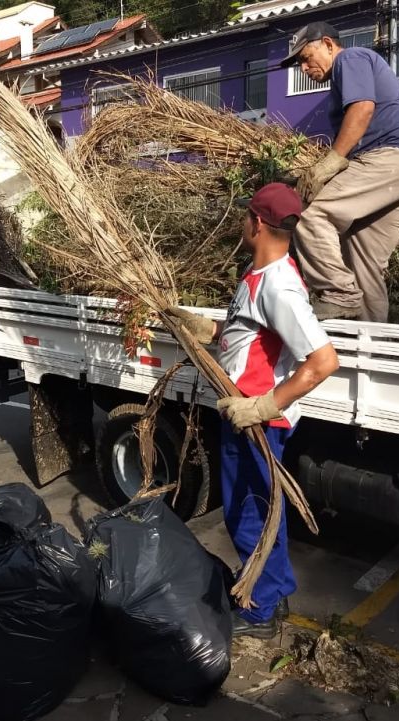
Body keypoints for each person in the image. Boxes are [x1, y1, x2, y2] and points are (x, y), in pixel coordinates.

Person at [166, 183, 339, 638]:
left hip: (258, 423)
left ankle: (261, 610)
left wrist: (263, 406)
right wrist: (210, 328)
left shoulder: (280, 286)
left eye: (245, 216)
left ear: (257, 223)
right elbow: (251, 334)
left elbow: (323, 362)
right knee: (257, 511)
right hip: (243, 415)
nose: (242, 222)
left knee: (249, 514)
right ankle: (273, 589)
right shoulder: (257, 274)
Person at [282, 22, 399, 322]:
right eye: (299, 63)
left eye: (305, 57)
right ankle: (372, 345)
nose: (303, 68)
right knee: (363, 260)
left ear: (327, 43)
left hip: (392, 156)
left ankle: (338, 293)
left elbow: (362, 109)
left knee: (313, 216)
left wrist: (329, 162)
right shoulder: (345, 77)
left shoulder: (350, 59)